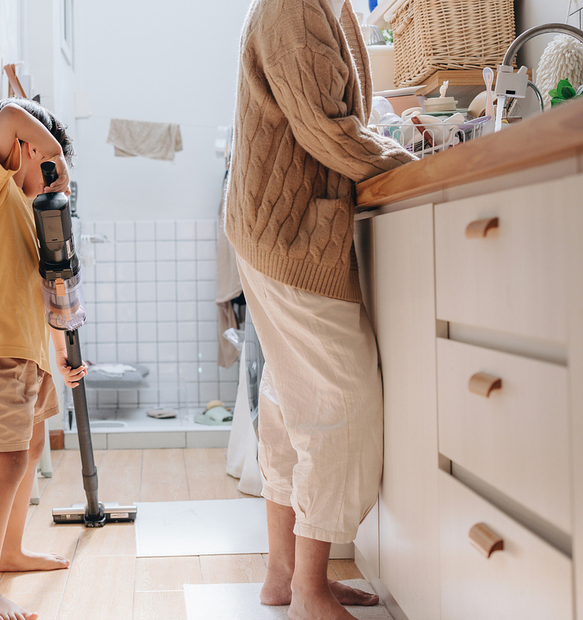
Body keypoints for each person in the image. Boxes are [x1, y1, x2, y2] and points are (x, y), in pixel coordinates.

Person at [224, 0, 415, 619]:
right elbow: (325, 124)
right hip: (290, 232)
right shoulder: (294, 6)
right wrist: (408, 161)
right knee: (341, 407)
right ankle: (308, 591)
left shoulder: (314, 7)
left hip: (276, 228)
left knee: (289, 402)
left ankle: (285, 577)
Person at [0, 98, 87, 620]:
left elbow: (39, 291)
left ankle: (9, 552)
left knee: (30, 448)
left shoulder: (25, 212)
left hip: (25, 352)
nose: (51, 179)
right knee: (8, 462)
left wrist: (59, 351)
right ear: (25, 150)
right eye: (46, 164)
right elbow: (10, 112)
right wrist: (55, 153)